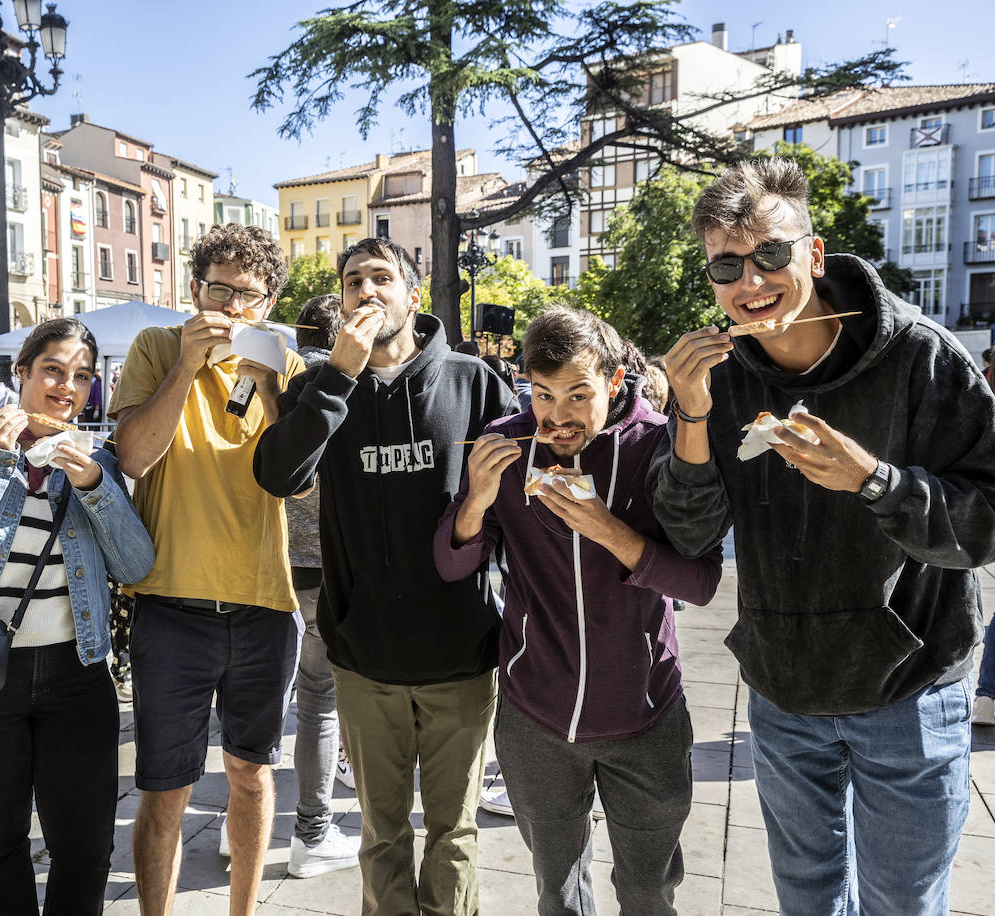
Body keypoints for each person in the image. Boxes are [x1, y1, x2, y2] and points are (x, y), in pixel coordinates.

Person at [647, 157, 995, 915]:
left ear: (813, 253)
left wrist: (876, 481)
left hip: (910, 689)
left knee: (902, 905)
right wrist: (693, 413)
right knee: (805, 902)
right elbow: (690, 531)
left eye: (771, 254)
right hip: (783, 693)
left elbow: (985, 523)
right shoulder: (721, 377)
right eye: (727, 265)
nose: (751, 282)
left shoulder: (923, 357)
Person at [255, 237, 517, 915]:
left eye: (380, 278)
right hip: (364, 656)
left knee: (454, 835)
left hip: (460, 654)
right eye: (351, 283)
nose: (365, 292)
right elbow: (277, 476)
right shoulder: (317, 388)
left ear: (413, 294)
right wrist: (338, 377)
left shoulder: (474, 381)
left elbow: (520, 507)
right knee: (382, 834)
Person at [435, 308, 722, 913]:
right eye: (542, 395)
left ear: (616, 382)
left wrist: (610, 532)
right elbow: (453, 563)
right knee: (557, 895)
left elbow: (700, 582)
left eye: (577, 395)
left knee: (648, 892)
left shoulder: (663, 447)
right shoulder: (507, 446)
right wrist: (476, 499)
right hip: (534, 716)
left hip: (645, 715)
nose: (557, 416)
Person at [0, 317, 153, 915]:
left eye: (81, 377)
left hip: (78, 674)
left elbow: (135, 564)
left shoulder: (95, 459)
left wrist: (96, 483)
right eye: (52, 370)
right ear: (19, 374)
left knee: (87, 846)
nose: (66, 387)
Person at [109, 223, 306, 916]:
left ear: (268, 302)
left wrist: (269, 386)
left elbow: (300, 483)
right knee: (165, 786)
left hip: (263, 603)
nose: (232, 305)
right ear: (195, 289)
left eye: (249, 295)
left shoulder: (283, 360)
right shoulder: (157, 345)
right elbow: (132, 457)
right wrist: (186, 369)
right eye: (219, 288)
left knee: (252, 776)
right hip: (170, 602)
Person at [280, 294, 361, 879]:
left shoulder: (274, 381)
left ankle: (248, 823)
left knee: (292, 698)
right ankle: (312, 829)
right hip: (342, 567)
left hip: (284, 568)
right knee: (325, 701)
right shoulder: (345, 385)